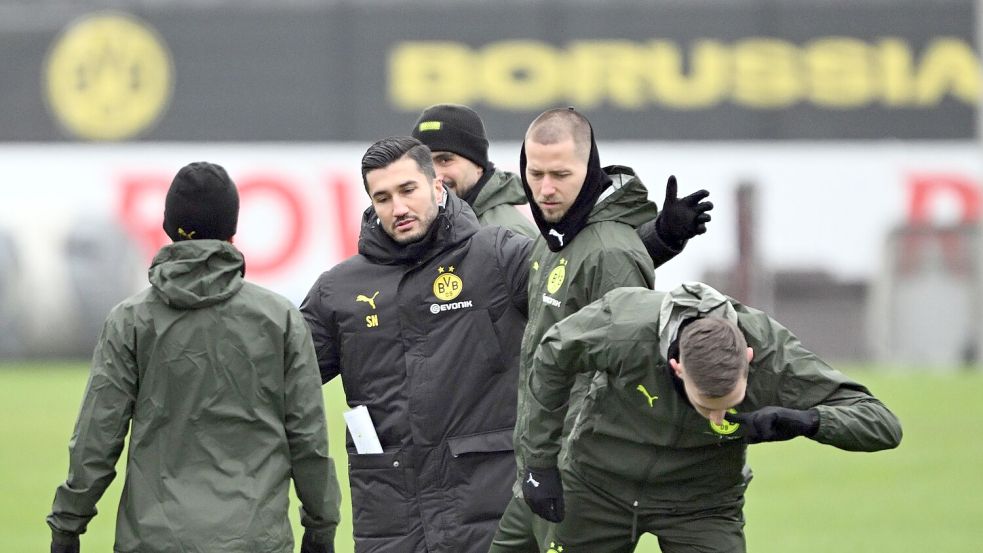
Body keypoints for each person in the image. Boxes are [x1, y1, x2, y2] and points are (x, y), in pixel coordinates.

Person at [300, 135, 709, 553]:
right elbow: (277, 372)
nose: (398, 208)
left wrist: (657, 238)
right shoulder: (337, 290)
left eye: (408, 190)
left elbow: (577, 282)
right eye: (382, 197)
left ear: (437, 187)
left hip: (488, 511)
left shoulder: (495, 255)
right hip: (389, 520)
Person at [46, 162, 341, 553]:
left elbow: (96, 439)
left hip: (154, 539)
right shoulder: (280, 318)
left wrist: (68, 525)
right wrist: (320, 529)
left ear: (168, 227)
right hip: (254, 539)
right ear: (232, 231)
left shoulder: (131, 321)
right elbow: (309, 441)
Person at [518, 281, 903, 552]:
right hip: (599, 485)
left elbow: (882, 423)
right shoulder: (625, 326)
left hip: (702, 502)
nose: (718, 416)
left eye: (731, 402)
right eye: (706, 404)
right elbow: (553, 354)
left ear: (748, 360)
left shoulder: (774, 355)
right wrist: (541, 463)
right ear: (678, 366)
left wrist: (807, 421)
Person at [490, 107, 713, 552]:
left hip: (577, 466)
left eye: (561, 174)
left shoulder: (609, 250)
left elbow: (616, 372)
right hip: (541, 458)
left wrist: (554, 466)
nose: (546, 188)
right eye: (535, 174)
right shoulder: (558, 233)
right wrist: (661, 238)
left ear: (589, 170)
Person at [412, 103, 538, 238]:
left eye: (445, 160)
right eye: (424, 163)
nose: (434, 175)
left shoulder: (509, 237)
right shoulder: (417, 227)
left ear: (478, 164)